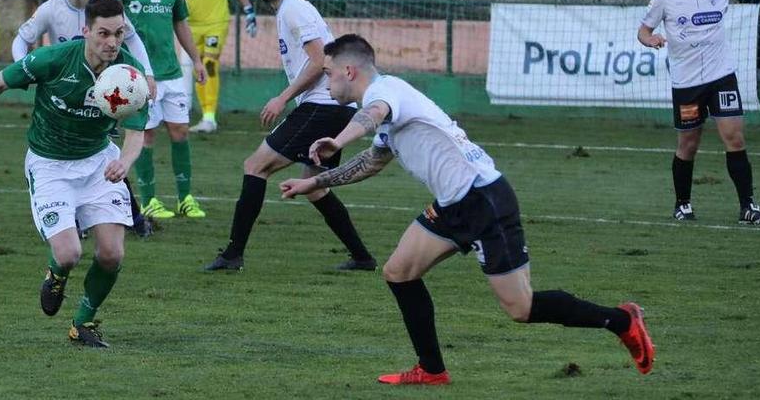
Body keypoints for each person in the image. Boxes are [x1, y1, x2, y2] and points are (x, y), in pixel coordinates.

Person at [279, 34, 655, 384]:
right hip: (452, 206)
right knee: (398, 272)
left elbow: (372, 114)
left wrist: (337, 139)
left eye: (328, 75)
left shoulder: (383, 91)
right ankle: (431, 371)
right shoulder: (390, 103)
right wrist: (313, 183)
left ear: (349, 71)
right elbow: (372, 162)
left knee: (521, 308)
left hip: (483, 200)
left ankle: (622, 320)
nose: (326, 85)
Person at [0, 0, 148, 348]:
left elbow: (136, 133)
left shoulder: (128, 75)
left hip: (98, 163)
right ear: (86, 31)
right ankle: (56, 272)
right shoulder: (54, 59)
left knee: (112, 254)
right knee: (69, 254)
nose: (112, 42)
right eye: (103, 34)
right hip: (50, 164)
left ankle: (83, 323)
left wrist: (123, 163)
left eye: (118, 33)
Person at [204, 0, 375, 272]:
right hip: (334, 108)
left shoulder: (295, 9)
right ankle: (363, 258)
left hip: (322, 106)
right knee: (314, 186)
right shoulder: (289, 9)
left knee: (255, 165)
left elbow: (319, 60)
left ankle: (232, 255)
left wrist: (282, 98)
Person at [12, 0, 155, 237]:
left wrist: (146, 76)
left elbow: (133, 38)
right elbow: (22, 39)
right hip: (69, 94)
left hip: (108, 93)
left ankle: (132, 217)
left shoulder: (105, 9)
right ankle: (73, 219)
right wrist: (25, 71)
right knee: (82, 155)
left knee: (104, 153)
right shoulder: (50, 9)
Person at [638, 0, 760, 225]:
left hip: (721, 76)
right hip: (686, 83)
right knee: (688, 144)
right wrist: (652, 39)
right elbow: (644, 31)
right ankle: (682, 204)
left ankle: (748, 207)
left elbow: (730, 1)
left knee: (735, 138)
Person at [108, 0, 208, 220]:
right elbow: (109, 24)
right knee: (146, 136)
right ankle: (150, 200)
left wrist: (197, 59)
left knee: (180, 132)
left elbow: (181, 23)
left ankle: (185, 198)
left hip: (172, 73)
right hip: (137, 74)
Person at [171, 0, 257, 133]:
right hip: (191, 24)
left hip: (216, 21)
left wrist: (248, 9)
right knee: (198, 66)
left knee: (209, 63)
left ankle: (210, 117)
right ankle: (205, 116)